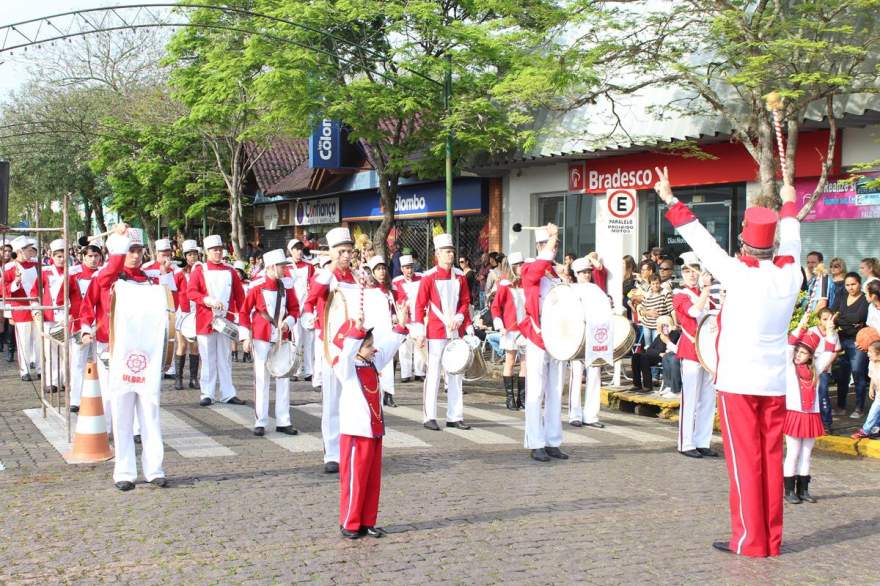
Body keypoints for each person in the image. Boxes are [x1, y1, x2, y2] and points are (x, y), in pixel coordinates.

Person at [656, 166, 801, 557]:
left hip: (738, 381)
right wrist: (789, 200)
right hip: (774, 382)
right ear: (770, 246)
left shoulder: (736, 273)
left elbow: (700, 240)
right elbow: (793, 239)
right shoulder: (792, 276)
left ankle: (750, 541)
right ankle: (770, 538)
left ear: (743, 243)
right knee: (772, 459)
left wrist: (670, 199)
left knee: (745, 462)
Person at [80, 225, 175, 491]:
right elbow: (89, 306)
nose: (134, 255)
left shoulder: (150, 280)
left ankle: (155, 469)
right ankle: (124, 471)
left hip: (145, 354)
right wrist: (118, 242)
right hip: (113, 350)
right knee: (120, 411)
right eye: (130, 250)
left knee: (150, 410)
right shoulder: (107, 277)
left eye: (138, 250)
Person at [334, 305, 409, 539]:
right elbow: (346, 353)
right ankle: (349, 522)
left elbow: (388, 347)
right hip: (356, 432)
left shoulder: (372, 363)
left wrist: (401, 325)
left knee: (372, 480)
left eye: (370, 344)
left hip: (374, 430)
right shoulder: (345, 367)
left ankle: (367, 520)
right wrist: (355, 332)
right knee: (355, 479)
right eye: (367, 346)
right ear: (357, 347)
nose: (373, 349)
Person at [302, 227, 360, 473]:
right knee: (332, 401)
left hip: (355, 347)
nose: (346, 255)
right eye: (342, 251)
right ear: (332, 252)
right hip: (332, 347)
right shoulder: (323, 275)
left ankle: (352, 447)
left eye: (349, 251)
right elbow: (311, 299)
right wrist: (330, 269)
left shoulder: (357, 277)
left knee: (353, 399)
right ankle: (332, 453)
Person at [411, 233, 474, 432]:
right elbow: (419, 306)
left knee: (456, 372)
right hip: (436, 332)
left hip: (454, 331)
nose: (451, 255)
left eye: (452, 251)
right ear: (437, 254)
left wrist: (460, 318)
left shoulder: (461, 277)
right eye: (447, 252)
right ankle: (429, 416)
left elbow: (465, 302)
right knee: (434, 373)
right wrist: (419, 331)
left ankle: (455, 416)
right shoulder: (428, 277)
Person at [519, 224, 567, 462]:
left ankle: (552, 440)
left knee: (556, 391)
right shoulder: (530, 267)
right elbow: (537, 270)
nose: (554, 249)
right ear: (539, 246)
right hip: (538, 337)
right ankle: (536, 442)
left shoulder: (557, 274)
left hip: (558, 339)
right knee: (535, 392)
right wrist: (553, 236)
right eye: (550, 245)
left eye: (556, 245)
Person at [240, 249, 299, 436]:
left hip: (281, 337)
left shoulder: (286, 284)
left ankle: (283, 420)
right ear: (272, 267)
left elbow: (295, 309)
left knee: (283, 377)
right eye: (282, 266)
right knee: (262, 378)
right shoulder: (256, 285)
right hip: (261, 336)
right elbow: (244, 311)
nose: (285, 270)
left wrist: (288, 323)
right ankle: (261, 420)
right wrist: (245, 336)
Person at [187, 235, 247, 407]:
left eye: (220, 249)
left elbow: (240, 297)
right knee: (207, 358)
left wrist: (242, 318)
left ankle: (228, 393)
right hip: (206, 320)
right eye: (214, 250)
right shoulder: (200, 270)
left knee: (225, 357)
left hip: (225, 320)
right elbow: (191, 292)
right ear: (207, 252)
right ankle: (207, 393)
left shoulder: (231, 271)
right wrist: (208, 300)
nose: (218, 252)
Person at [783, 320, 834, 505]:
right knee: (793, 453)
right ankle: (788, 490)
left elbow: (829, 352)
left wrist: (829, 331)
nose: (798, 355)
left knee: (806, 454)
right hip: (795, 414)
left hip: (811, 415)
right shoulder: (790, 367)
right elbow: (789, 344)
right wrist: (802, 327)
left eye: (803, 352)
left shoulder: (816, 370)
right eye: (798, 351)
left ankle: (803, 489)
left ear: (811, 356)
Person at [671, 251, 717, 459]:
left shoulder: (706, 294)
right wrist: (707, 290)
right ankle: (686, 442)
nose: (691, 274)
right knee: (690, 399)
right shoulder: (680, 294)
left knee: (708, 399)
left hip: (708, 352)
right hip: (690, 349)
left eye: (694, 270)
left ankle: (702, 440)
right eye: (686, 271)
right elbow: (694, 313)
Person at [567, 256, 610, 429]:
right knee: (576, 375)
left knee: (595, 375)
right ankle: (574, 414)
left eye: (588, 272)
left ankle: (591, 415)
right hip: (578, 335)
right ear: (576, 274)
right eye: (582, 272)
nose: (586, 275)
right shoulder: (571, 289)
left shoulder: (596, 290)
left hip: (596, 335)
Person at [39, 239, 83, 395]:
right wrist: (37, 312)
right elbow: (34, 292)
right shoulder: (44, 272)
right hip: (49, 316)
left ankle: (65, 380)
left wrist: (73, 315)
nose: (61, 259)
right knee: (50, 350)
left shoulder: (71, 274)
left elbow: (76, 297)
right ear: (52, 256)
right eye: (58, 256)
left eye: (64, 255)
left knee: (66, 351)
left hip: (65, 317)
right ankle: (52, 381)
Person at [831, 272, 870, 419]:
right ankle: (841, 406)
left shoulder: (865, 299)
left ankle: (859, 408)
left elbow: (859, 317)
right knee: (842, 375)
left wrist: (840, 317)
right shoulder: (841, 296)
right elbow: (833, 313)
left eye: (853, 284)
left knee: (857, 373)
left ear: (859, 283)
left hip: (857, 342)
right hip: (841, 340)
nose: (850, 287)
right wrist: (846, 320)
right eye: (847, 285)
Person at [70, 244, 103, 413]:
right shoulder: (74, 274)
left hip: (101, 325)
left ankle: (100, 396)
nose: (93, 259)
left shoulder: (104, 275)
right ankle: (76, 398)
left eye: (96, 256)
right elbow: (63, 297)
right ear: (83, 256)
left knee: (100, 362)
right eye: (90, 256)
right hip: (79, 324)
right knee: (78, 361)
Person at [490, 253, 526, 411]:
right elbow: (495, 307)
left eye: (522, 264)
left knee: (526, 364)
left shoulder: (527, 284)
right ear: (511, 267)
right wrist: (500, 326)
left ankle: (522, 398)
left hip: (525, 330)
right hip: (510, 330)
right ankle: (510, 398)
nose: (520, 268)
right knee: (510, 362)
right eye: (517, 265)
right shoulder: (504, 285)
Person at [362, 256, 398, 408]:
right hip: (373, 332)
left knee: (388, 362)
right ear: (372, 272)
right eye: (378, 269)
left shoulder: (390, 291)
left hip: (387, 330)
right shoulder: (367, 291)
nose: (382, 272)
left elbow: (394, 309)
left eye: (383, 268)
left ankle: (388, 394)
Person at [143, 239, 181, 380]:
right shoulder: (147, 268)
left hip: (170, 307)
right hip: (153, 307)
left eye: (168, 253)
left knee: (170, 338)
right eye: (162, 254)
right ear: (156, 253)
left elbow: (175, 290)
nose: (166, 256)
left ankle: (170, 368)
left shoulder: (176, 269)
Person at [4, 236, 41, 381]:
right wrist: (16, 282)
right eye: (27, 249)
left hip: (38, 306)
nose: (31, 251)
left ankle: (40, 368)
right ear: (20, 251)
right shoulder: (8, 268)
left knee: (39, 340)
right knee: (23, 341)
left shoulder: (37, 265)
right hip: (20, 308)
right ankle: (24, 371)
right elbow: (4, 290)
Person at [391, 254, 425, 384]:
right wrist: (395, 315)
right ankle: (405, 373)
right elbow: (393, 299)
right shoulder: (396, 282)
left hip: (419, 317)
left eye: (410, 267)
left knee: (420, 345)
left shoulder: (422, 278)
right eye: (406, 268)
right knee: (404, 347)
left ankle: (420, 372)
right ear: (401, 269)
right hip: (404, 318)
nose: (409, 271)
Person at [172, 240, 201, 391]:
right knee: (182, 345)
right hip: (182, 313)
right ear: (184, 256)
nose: (193, 257)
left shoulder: (202, 271)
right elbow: (171, 290)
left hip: (197, 313)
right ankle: (178, 378)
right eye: (190, 254)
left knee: (195, 346)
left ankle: (194, 378)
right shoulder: (179, 274)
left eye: (195, 254)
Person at [286, 239, 315, 382]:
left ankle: (309, 370)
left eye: (300, 249)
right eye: (295, 249)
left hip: (307, 307)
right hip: (292, 308)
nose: (298, 251)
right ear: (290, 251)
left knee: (309, 339)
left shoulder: (309, 266)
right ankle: (296, 369)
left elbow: (313, 286)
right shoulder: (285, 266)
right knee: (296, 339)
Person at [809, 308, 841, 432]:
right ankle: (813, 422)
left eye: (830, 318)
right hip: (811, 367)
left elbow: (835, 352)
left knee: (823, 394)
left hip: (824, 369)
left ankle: (826, 423)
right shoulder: (812, 332)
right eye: (824, 319)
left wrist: (826, 365)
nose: (828, 322)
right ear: (819, 320)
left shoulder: (833, 333)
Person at [631, 315, 681, 395]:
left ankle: (648, 386)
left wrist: (666, 339)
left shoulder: (674, 334)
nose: (658, 327)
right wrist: (659, 353)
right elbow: (650, 349)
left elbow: (671, 349)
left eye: (660, 325)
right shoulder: (659, 336)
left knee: (644, 357)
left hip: (666, 358)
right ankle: (637, 384)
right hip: (657, 355)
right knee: (636, 356)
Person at [852, 340, 880, 440]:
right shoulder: (872, 363)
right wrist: (871, 388)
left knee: (874, 411)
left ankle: (865, 430)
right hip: (878, 392)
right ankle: (876, 429)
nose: (868, 354)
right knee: (877, 412)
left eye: (870, 352)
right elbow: (872, 376)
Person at [638, 274, 673, 347]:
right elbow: (641, 310)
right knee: (647, 346)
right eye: (653, 284)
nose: (655, 286)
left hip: (659, 325)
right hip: (647, 324)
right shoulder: (648, 294)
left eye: (657, 283)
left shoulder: (665, 293)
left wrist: (675, 323)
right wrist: (648, 313)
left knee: (656, 345)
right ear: (650, 284)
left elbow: (671, 309)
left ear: (660, 283)